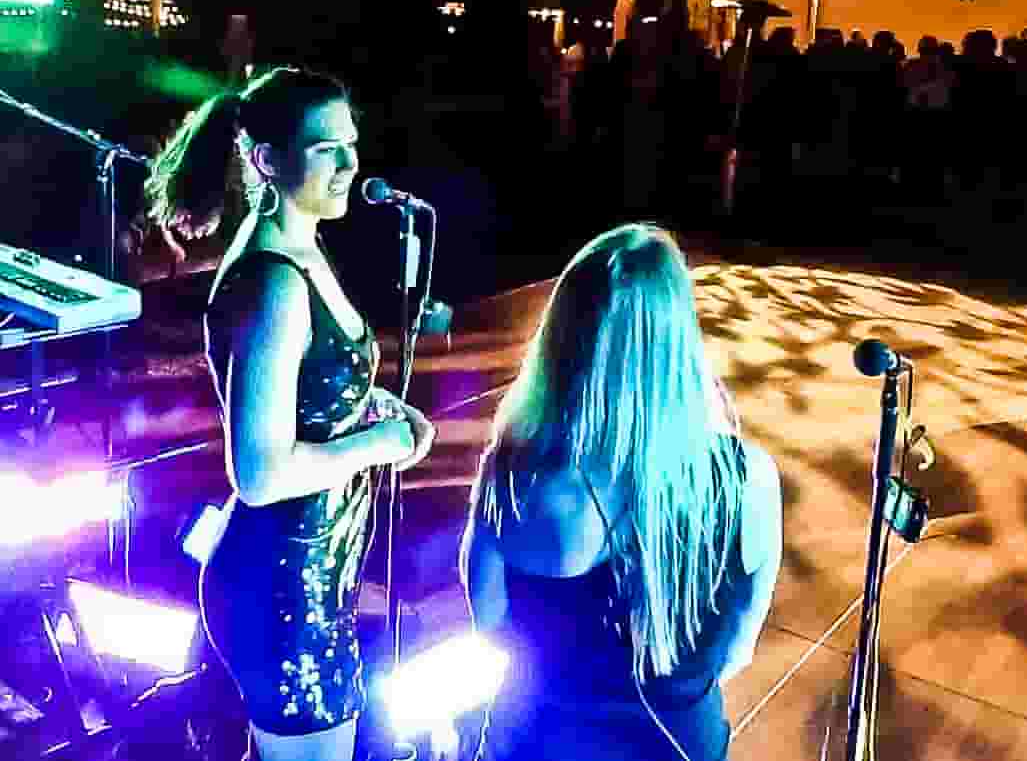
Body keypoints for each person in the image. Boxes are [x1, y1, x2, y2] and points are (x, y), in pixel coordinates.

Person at [144, 67, 436, 761]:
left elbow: (307, 390)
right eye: (325, 148)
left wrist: (373, 407)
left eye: (351, 143)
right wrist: (381, 442)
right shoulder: (273, 279)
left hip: (313, 576)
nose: (348, 164)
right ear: (267, 161)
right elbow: (260, 472)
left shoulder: (305, 248)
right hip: (279, 589)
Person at [460, 224, 783, 761]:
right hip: (679, 742)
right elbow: (739, 643)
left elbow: (490, 626)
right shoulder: (749, 477)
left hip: (544, 741)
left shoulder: (516, 476)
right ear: (680, 337)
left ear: (560, 338)